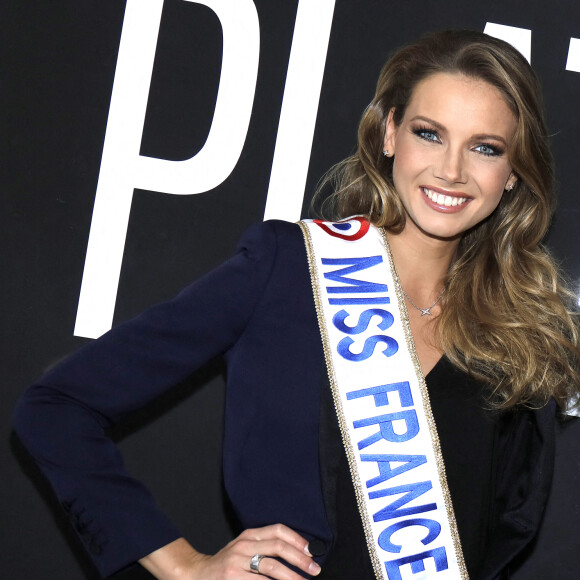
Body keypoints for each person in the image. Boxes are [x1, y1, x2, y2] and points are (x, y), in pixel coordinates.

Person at [13, 29, 580, 580]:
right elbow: (55, 408)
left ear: (511, 174)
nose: (451, 170)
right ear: (389, 133)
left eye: (485, 148)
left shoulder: (514, 335)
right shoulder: (287, 270)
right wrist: (185, 566)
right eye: (430, 133)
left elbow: (501, 539)